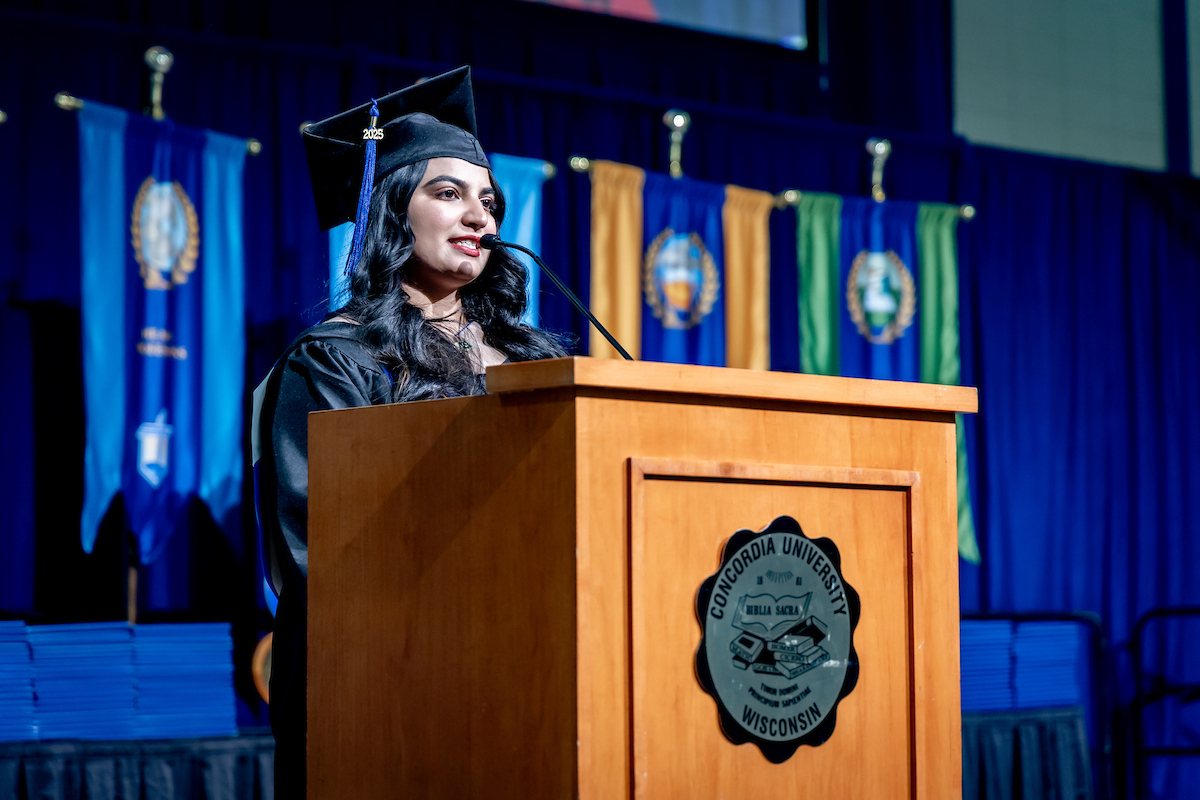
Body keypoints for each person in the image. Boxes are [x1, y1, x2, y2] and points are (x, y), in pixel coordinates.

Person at [253, 66, 567, 798]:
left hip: (529, 664)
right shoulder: (338, 358)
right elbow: (326, 549)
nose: (480, 219)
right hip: (380, 679)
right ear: (393, 210)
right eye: (448, 193)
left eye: (488, 201)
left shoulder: (538, 363)